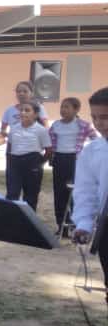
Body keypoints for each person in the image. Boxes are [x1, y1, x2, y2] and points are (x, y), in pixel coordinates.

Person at [72, 87, 108, 290]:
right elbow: (86, 191)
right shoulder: (92, 151)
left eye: (105, 117)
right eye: (94, 117)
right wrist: (84, 223)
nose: (99, 123)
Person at [50, 97, 98, 235]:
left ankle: (75, 224)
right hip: (59, 159)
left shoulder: (83, 125)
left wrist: (87, 155)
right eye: (62, 107)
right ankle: (61, 226)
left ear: (76, 109)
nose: (63, 110)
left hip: (75, 160)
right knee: (59, 193)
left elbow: (95, 139)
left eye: (67, 107)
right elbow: (51, 144)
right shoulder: (56, 125)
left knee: (74, 193)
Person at [5, 102, 52, 210]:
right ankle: (10, 221)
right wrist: (9, 160)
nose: (23, 112)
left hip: (32, 162)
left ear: (35, 114)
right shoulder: (14, 128)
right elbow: (10, 145)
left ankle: (28, 224)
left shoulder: (41, 130)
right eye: (21, 110)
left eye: (27, 110)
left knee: (31, 196)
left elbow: (49, 150)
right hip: (15, 162)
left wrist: (39, 163)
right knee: (12, 194)